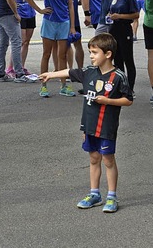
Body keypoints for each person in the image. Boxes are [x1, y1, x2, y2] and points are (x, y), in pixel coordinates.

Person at [38, 33, 133, 213]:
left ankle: (112, 196)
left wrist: (108, 101)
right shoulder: (89, 72)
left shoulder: (118, 76)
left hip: (106, 126)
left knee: (108, 160)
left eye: (94, 52)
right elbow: (69, 72)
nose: (91, 56)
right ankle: (94, 194)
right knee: (93, 158)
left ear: (108, 54)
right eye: (90, 52)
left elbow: (128, 100)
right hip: (89, 125)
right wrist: (50, 75)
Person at [25, 0, 76, 98]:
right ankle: (43, 86)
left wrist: (72, 26)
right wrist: (40, 10)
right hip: (49, 22)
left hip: (64, 22)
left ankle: (64, 86)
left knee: (62, 55)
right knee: (46, 54)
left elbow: (71, 5)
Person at [104, 0, 139, 93]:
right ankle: (120, 84)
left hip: (125, 29)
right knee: (117, 59)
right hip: (114, 29)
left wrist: (120, 16)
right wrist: (110, 16)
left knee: (128, 58)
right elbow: (110, 11)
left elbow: (136, 15)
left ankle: (130, 88)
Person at [9, 0, 37, 76]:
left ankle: (21, 66)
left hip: (29, 11)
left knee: (27, 41)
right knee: (19, 41)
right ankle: (11, 67)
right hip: (20, 12)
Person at [62, 0, 85, 70]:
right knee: (78, 44)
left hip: (62, 17)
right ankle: (80, 68)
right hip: (74, 17)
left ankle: (67, 69)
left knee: (65, 45)